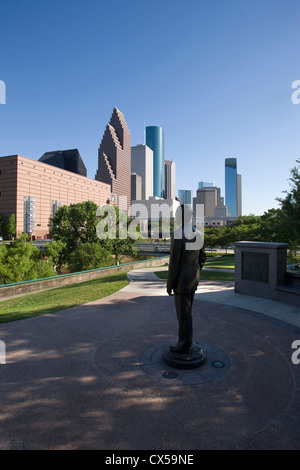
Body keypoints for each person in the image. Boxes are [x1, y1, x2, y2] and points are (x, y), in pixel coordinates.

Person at [167, 204, 206, 355]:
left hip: (182, 283)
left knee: (183, 315)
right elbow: (202, 258)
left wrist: (170, 284)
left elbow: (174, 263)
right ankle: (186, 343)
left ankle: (184, 345)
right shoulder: (198, 233)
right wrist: (194, 272)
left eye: (177, 214)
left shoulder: (178, 234)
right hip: (193, 280)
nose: (176, 217)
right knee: (187, 313)